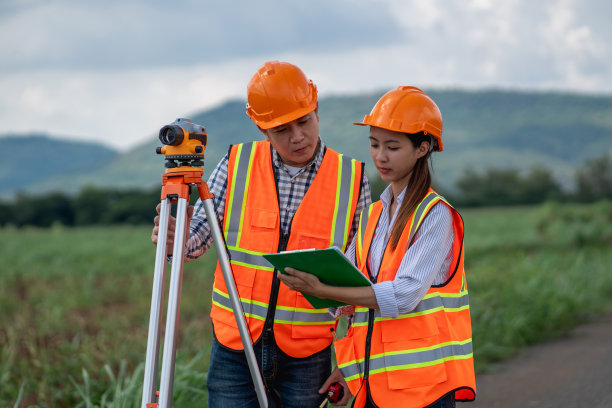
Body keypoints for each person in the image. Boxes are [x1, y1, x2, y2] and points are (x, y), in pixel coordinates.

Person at [151, 60, 372, 408]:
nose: (297, 136)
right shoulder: (236, 163)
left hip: (308, 353)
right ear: (261, 126)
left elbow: (362, 279)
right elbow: (198, 239)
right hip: (234, 345)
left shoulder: (353, 180)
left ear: (316, 110)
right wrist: (174, 240)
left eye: (304, 121)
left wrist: (352, 363)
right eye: (282, 128)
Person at [278, 86, 477, 407]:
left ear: (422, 148)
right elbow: (357, 294)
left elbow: (403, 296)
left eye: (393, 147)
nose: (380, 156)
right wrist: (346, 369)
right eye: (374, 144)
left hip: (421, 390)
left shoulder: (435, 215)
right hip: (374, 386)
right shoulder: (374, 215)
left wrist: (327, 290)